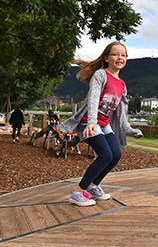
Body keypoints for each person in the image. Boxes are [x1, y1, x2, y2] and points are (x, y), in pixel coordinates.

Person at [59, 42, 143, 207]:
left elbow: (121, 114)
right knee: (105, 155)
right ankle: (78, 192)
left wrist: (131, 131)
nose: (120, 58)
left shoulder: (122, 84)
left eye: (123, 55)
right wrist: (91, 122)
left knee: (115, 155)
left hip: (104, 125)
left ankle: (93, 186)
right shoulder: (101, 75)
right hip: (89, 123)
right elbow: (93, 98)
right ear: (106, 58)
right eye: (115, 54)